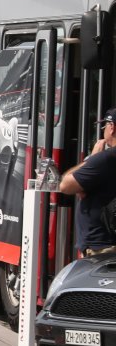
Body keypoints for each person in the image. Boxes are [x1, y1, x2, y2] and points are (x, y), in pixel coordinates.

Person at [58, 107, 116, 257]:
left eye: (104, 126)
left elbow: (65, 185)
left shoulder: (105, 159)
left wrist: (92, 158)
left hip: (102, 247)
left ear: (112, 127)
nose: (103, 131)